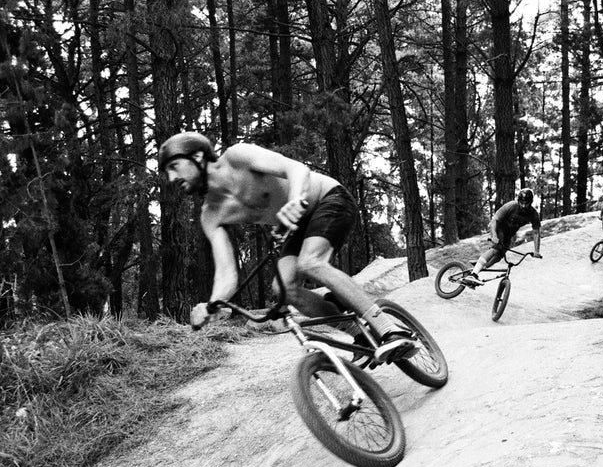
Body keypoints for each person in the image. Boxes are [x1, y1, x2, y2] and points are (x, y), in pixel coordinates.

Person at [158, 132, 416, 363]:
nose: (171, 178)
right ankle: (359, 335)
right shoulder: (211, 215)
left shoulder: (237, 157)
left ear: (198, 156)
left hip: (327, 199)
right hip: (295, 225)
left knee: (310, 262)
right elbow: (226, 273)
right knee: (283, 290)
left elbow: (296, 169)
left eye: (174, 166)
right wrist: (211, 304)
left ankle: (390, 328)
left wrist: (295, 200)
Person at [461, 188, 542, 286]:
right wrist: (494, 235)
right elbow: (495, 219)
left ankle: (478, 267)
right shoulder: (511, 206)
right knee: (496, 248)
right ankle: (473, 275)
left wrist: (537, 251)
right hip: (498, 227)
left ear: (531, 203)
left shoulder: (533, 214)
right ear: (518, 201)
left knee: (499, 256)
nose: (524, 206)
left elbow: (536, 232)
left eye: (526, 203)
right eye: (522, 203)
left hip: (508, 234)